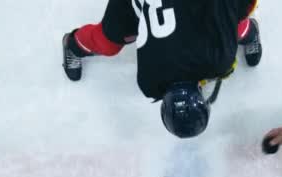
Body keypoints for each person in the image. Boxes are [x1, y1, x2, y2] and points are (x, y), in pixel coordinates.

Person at [62, 0, 263, 138]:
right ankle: (73, 44)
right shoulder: (149, 83)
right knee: (229, 19)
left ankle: (249, 30)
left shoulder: (218, 61)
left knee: (229, 18)